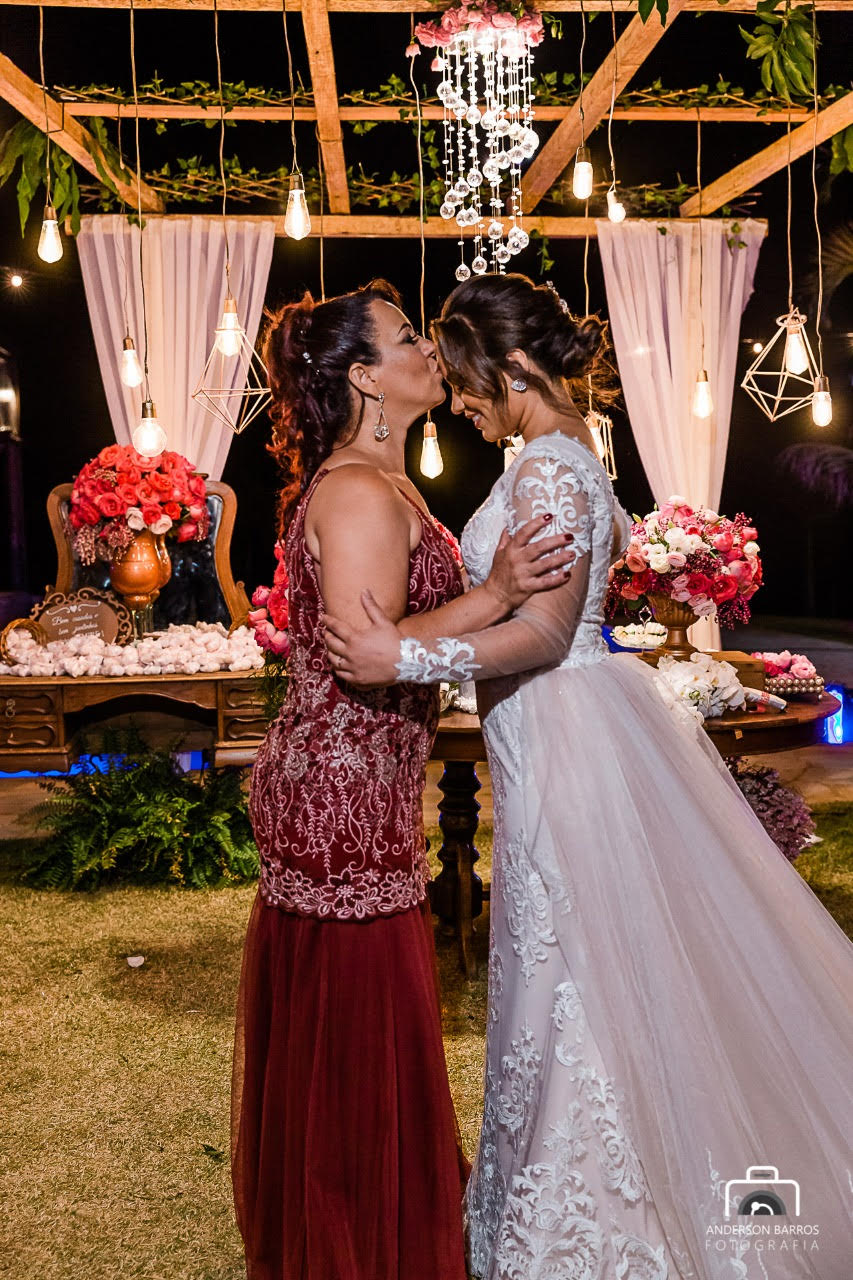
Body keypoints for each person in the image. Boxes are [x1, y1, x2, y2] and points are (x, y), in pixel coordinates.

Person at [324, 273, 853, 1280]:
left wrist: (402, 656)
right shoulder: (568, 450)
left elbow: (545, 630)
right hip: (553, 734)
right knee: (571, 967)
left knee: (572, 972)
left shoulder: (548, 469)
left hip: (564, 737)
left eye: (467, 379)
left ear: (514, 366)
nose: (459, 399)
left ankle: (606, 1221)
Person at [231, 278, 578, 1280]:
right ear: (363, 378)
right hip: (337, 796)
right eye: (407, 337)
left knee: (368, 1032)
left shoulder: (386, 482)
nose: (431, 348)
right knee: (354, 1032)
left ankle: (383, 1228)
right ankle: (356, 1246)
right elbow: (366, 652)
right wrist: (496, 593)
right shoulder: (352, 490)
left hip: (369, 787)